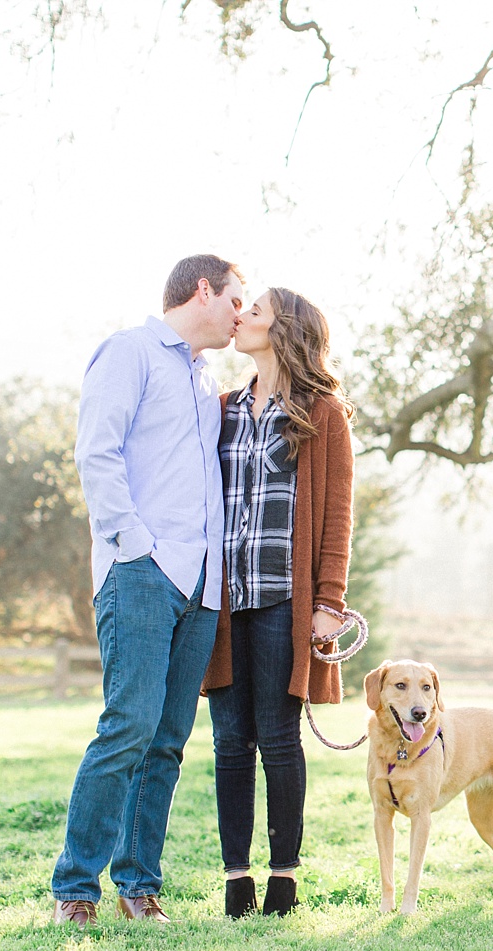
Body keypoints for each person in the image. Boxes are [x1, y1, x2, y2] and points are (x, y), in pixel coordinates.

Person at [50, 255, 243, 927]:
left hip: (200, 585)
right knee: (128, 724)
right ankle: (76, 888)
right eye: (234, 300)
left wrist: (210, 577)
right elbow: (95, 453)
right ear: (201, 291)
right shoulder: (129, 351)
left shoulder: (204, 378)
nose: (240, 313)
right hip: (139, 573)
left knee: (166, 740)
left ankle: (139, 887)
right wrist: (133, 545)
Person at [200, 286, 355, 918]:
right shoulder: (224, 408)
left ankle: (283, 879)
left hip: (285, 600)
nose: (241, 317)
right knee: (228, 741)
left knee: (278, 738)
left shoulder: (322, 412)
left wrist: (329, 602)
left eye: (254, 311)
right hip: (227, 601)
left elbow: (338, 514)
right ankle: (237, 879)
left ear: (284, 329)